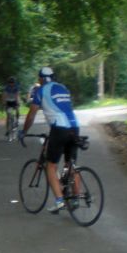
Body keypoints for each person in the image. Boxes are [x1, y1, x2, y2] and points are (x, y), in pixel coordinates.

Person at [19, 66, 80, 214]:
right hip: (74, 126)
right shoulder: (63, 87)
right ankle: (77, 197)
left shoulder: (40, 91)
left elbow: (32, 114)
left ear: (40, 79)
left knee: (51, 166)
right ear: (53, 77)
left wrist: (23, 131)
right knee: (71, 164)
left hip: (59, 128)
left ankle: (59, 201)